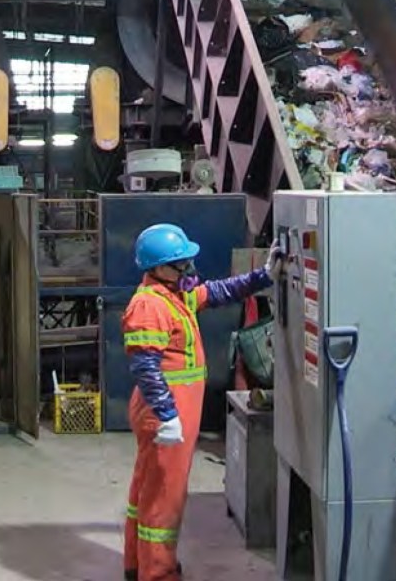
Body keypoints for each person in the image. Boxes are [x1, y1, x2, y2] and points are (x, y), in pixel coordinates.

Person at [122, 223, 283, 581]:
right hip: (165, 412)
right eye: (180, 264)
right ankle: (159, 573)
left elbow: (220, 291)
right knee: (165, 497)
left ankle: (137, 566)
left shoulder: (173, 295)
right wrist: (167, 416)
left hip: (170, 410)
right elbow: (146, 367)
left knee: (146, 490)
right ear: (158, 267)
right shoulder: (148, 305)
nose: (188, 270)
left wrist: (264, 275)